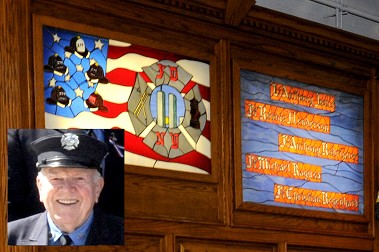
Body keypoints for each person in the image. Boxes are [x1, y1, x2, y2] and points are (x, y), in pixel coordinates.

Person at [8, 131, 124, 245]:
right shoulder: (9, 237)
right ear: (40, 186)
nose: (67, 189)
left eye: (79, 178)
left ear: (98, 187)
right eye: (56, 179)